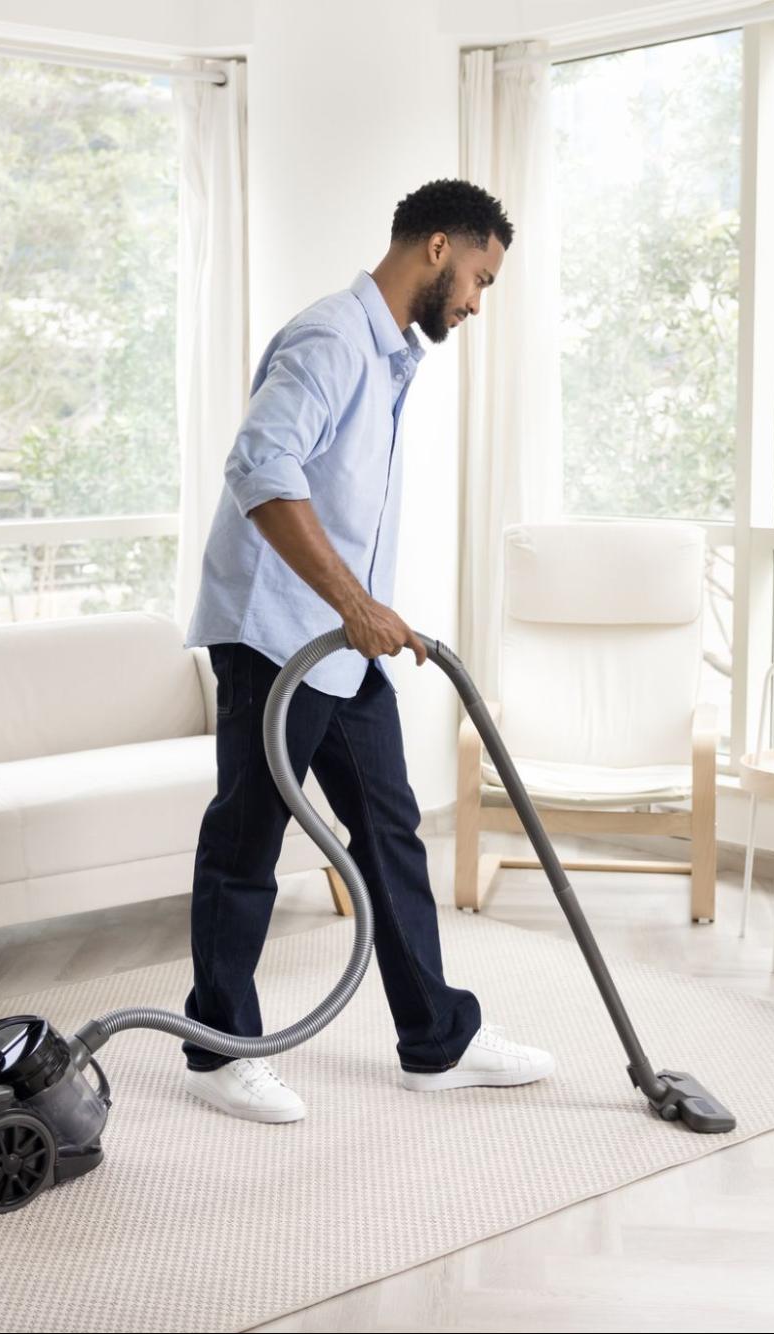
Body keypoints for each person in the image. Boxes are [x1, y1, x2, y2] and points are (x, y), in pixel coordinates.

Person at [181, 178, 555, 1123]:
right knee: (248, 839)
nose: (475, 301)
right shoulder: (331, 339)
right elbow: (258, 470)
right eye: (478, 276)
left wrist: (358, 612)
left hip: (340, 645)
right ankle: (221, 1050)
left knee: (391, 830)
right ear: (437, 248)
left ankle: (436, 1039)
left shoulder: (388, 358)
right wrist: (353, 601)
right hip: (279, 639)